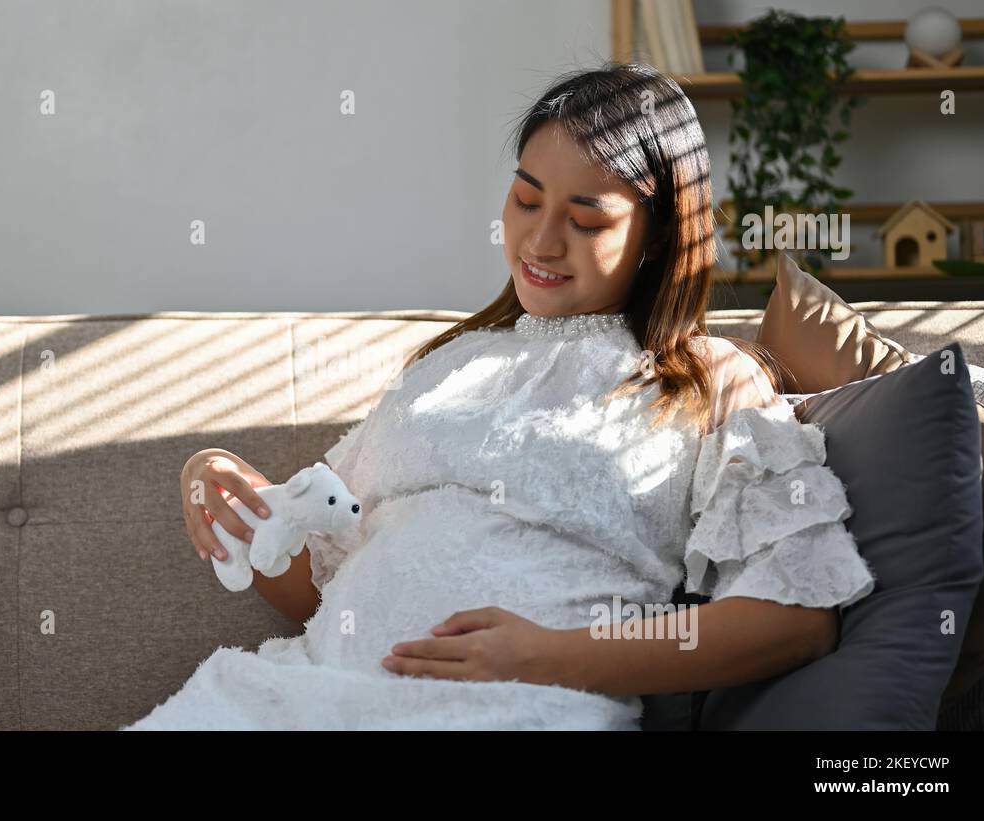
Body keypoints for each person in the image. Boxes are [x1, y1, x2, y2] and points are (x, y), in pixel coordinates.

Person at [123, 63, 875, 731]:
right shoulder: (448, 365)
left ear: (656, 236)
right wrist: (226, 487)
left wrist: (551, 655)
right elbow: (316, 585)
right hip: (300, 694)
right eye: (524, 200)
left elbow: (797, 616)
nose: (541, 243)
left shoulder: (708, 382)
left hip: (520, 707)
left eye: (585, 219)